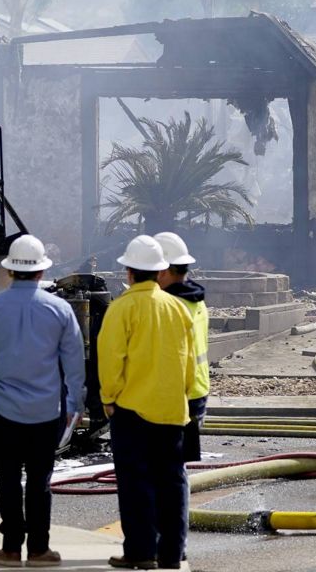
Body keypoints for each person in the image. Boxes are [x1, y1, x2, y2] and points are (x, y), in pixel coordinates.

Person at [0, 235, 85, 568]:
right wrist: (74, 406)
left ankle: (9, 549)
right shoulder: (59, 309)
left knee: (7, 480)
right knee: (39, 482)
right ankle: (38, 550)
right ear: (40, 272)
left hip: (2, 411)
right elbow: (74, 362)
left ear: (10, 272)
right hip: (46, 412)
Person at [99, 235, 196, 571]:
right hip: (172, 411)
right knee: (171, 484)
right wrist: (184, 398)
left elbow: (111, 360)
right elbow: (188, 363)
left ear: (129, 273)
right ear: (159, 272)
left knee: (135, 484)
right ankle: (171, 555)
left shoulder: (121, 308)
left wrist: (108, 398)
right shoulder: (178, 309)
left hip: (132, 411)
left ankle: (140, 552)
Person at [153, 232, 209, 566]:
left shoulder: (174, 305)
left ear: (163, 271)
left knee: (168, 475)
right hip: (196, 393)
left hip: (178, 396)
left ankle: (169, 547)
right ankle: (174, 544)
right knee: (174, 472)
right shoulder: (196, 299)